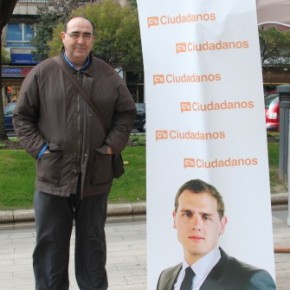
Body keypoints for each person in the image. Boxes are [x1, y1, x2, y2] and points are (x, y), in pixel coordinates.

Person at [13, 16, 136, 290]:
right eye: (75, 34)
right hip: (53, 177)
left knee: (92, 246)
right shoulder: (42, 73)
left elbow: (126, 113)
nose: (81, 40)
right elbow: (21, 117)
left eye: (87, 35)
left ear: (93, 39)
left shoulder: (108, 76)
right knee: (50, 248)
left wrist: (110, 146)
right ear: (63, 37)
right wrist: (41, 150)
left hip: (95, 176)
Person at [156, 179, 276, 290]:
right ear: (174, 219)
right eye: (187, 214)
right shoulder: (165, 277)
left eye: (206, 217)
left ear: (222, 225)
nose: (196, 225)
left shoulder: (250, 281)